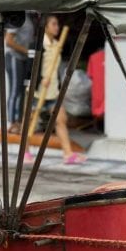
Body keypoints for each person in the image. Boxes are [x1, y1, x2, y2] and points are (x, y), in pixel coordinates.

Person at [39, 15, 86, 165]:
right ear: (45, 27)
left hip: (52, 91)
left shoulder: (57, 45)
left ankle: (68, 154)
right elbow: (30, 68)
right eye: (53, 24)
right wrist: (40, 80)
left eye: (57, 24)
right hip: (38, 91)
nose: (56, 27)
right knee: (29, 124)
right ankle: (25, 153)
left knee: (61, 120)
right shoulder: (40, 44)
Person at [4, 12, 36, 135]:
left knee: (22, 91)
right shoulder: (18, 17)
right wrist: (27, 51)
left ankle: (19, 122)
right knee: (14, 90)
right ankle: (12, 123)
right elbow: (9, 41)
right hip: (14, 57)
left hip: (23, 59)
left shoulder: (29, 19)